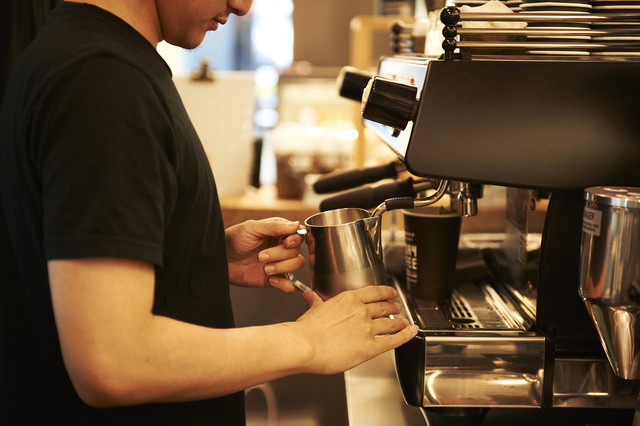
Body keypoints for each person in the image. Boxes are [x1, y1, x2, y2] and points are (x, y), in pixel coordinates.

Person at [0, 0, 419, 424]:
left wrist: (202, 257)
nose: (242, 5)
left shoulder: (86, 54)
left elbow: (66, 263)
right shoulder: (103, 78)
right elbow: (114, 361)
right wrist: (309, 340)